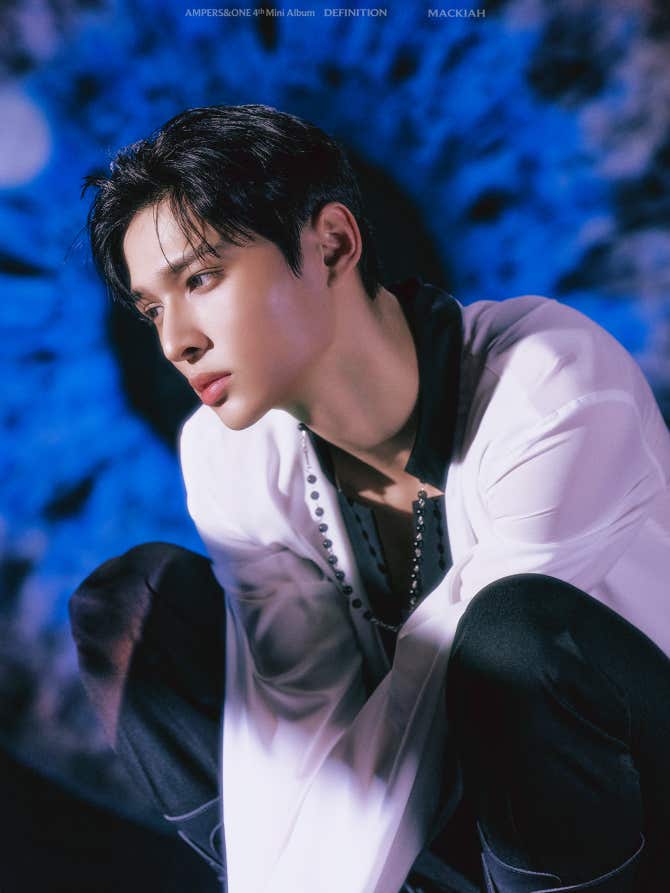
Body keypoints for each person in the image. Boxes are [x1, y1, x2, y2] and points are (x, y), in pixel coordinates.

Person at [70, 104, 670, 893]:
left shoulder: (550, 384)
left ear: (332, 244)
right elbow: (295, 711)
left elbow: (448, 682)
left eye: (201, 279)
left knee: (509, 637)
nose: (175, 340)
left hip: (628, 800)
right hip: (458, 819)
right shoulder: (228, 458)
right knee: (134, 607)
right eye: (153, 308)